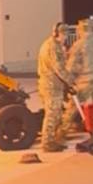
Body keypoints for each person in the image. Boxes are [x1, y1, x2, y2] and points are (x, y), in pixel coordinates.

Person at [62, 17, 93, 131]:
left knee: (72, 107)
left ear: (80, 29)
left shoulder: (79, 45)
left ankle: (60, 133)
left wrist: (69, 80)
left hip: (85, 81)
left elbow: (71, 66)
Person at [37, 22, 72, 152]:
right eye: (65, 34)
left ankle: (53, 140)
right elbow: (59, 68)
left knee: (56, 114)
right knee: (52, 114)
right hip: (51, 86)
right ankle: (47, 143)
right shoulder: (53, 47)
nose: (66, 38)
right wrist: (71, 81)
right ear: (58, 33)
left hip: (51, 84)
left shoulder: (51, 44)